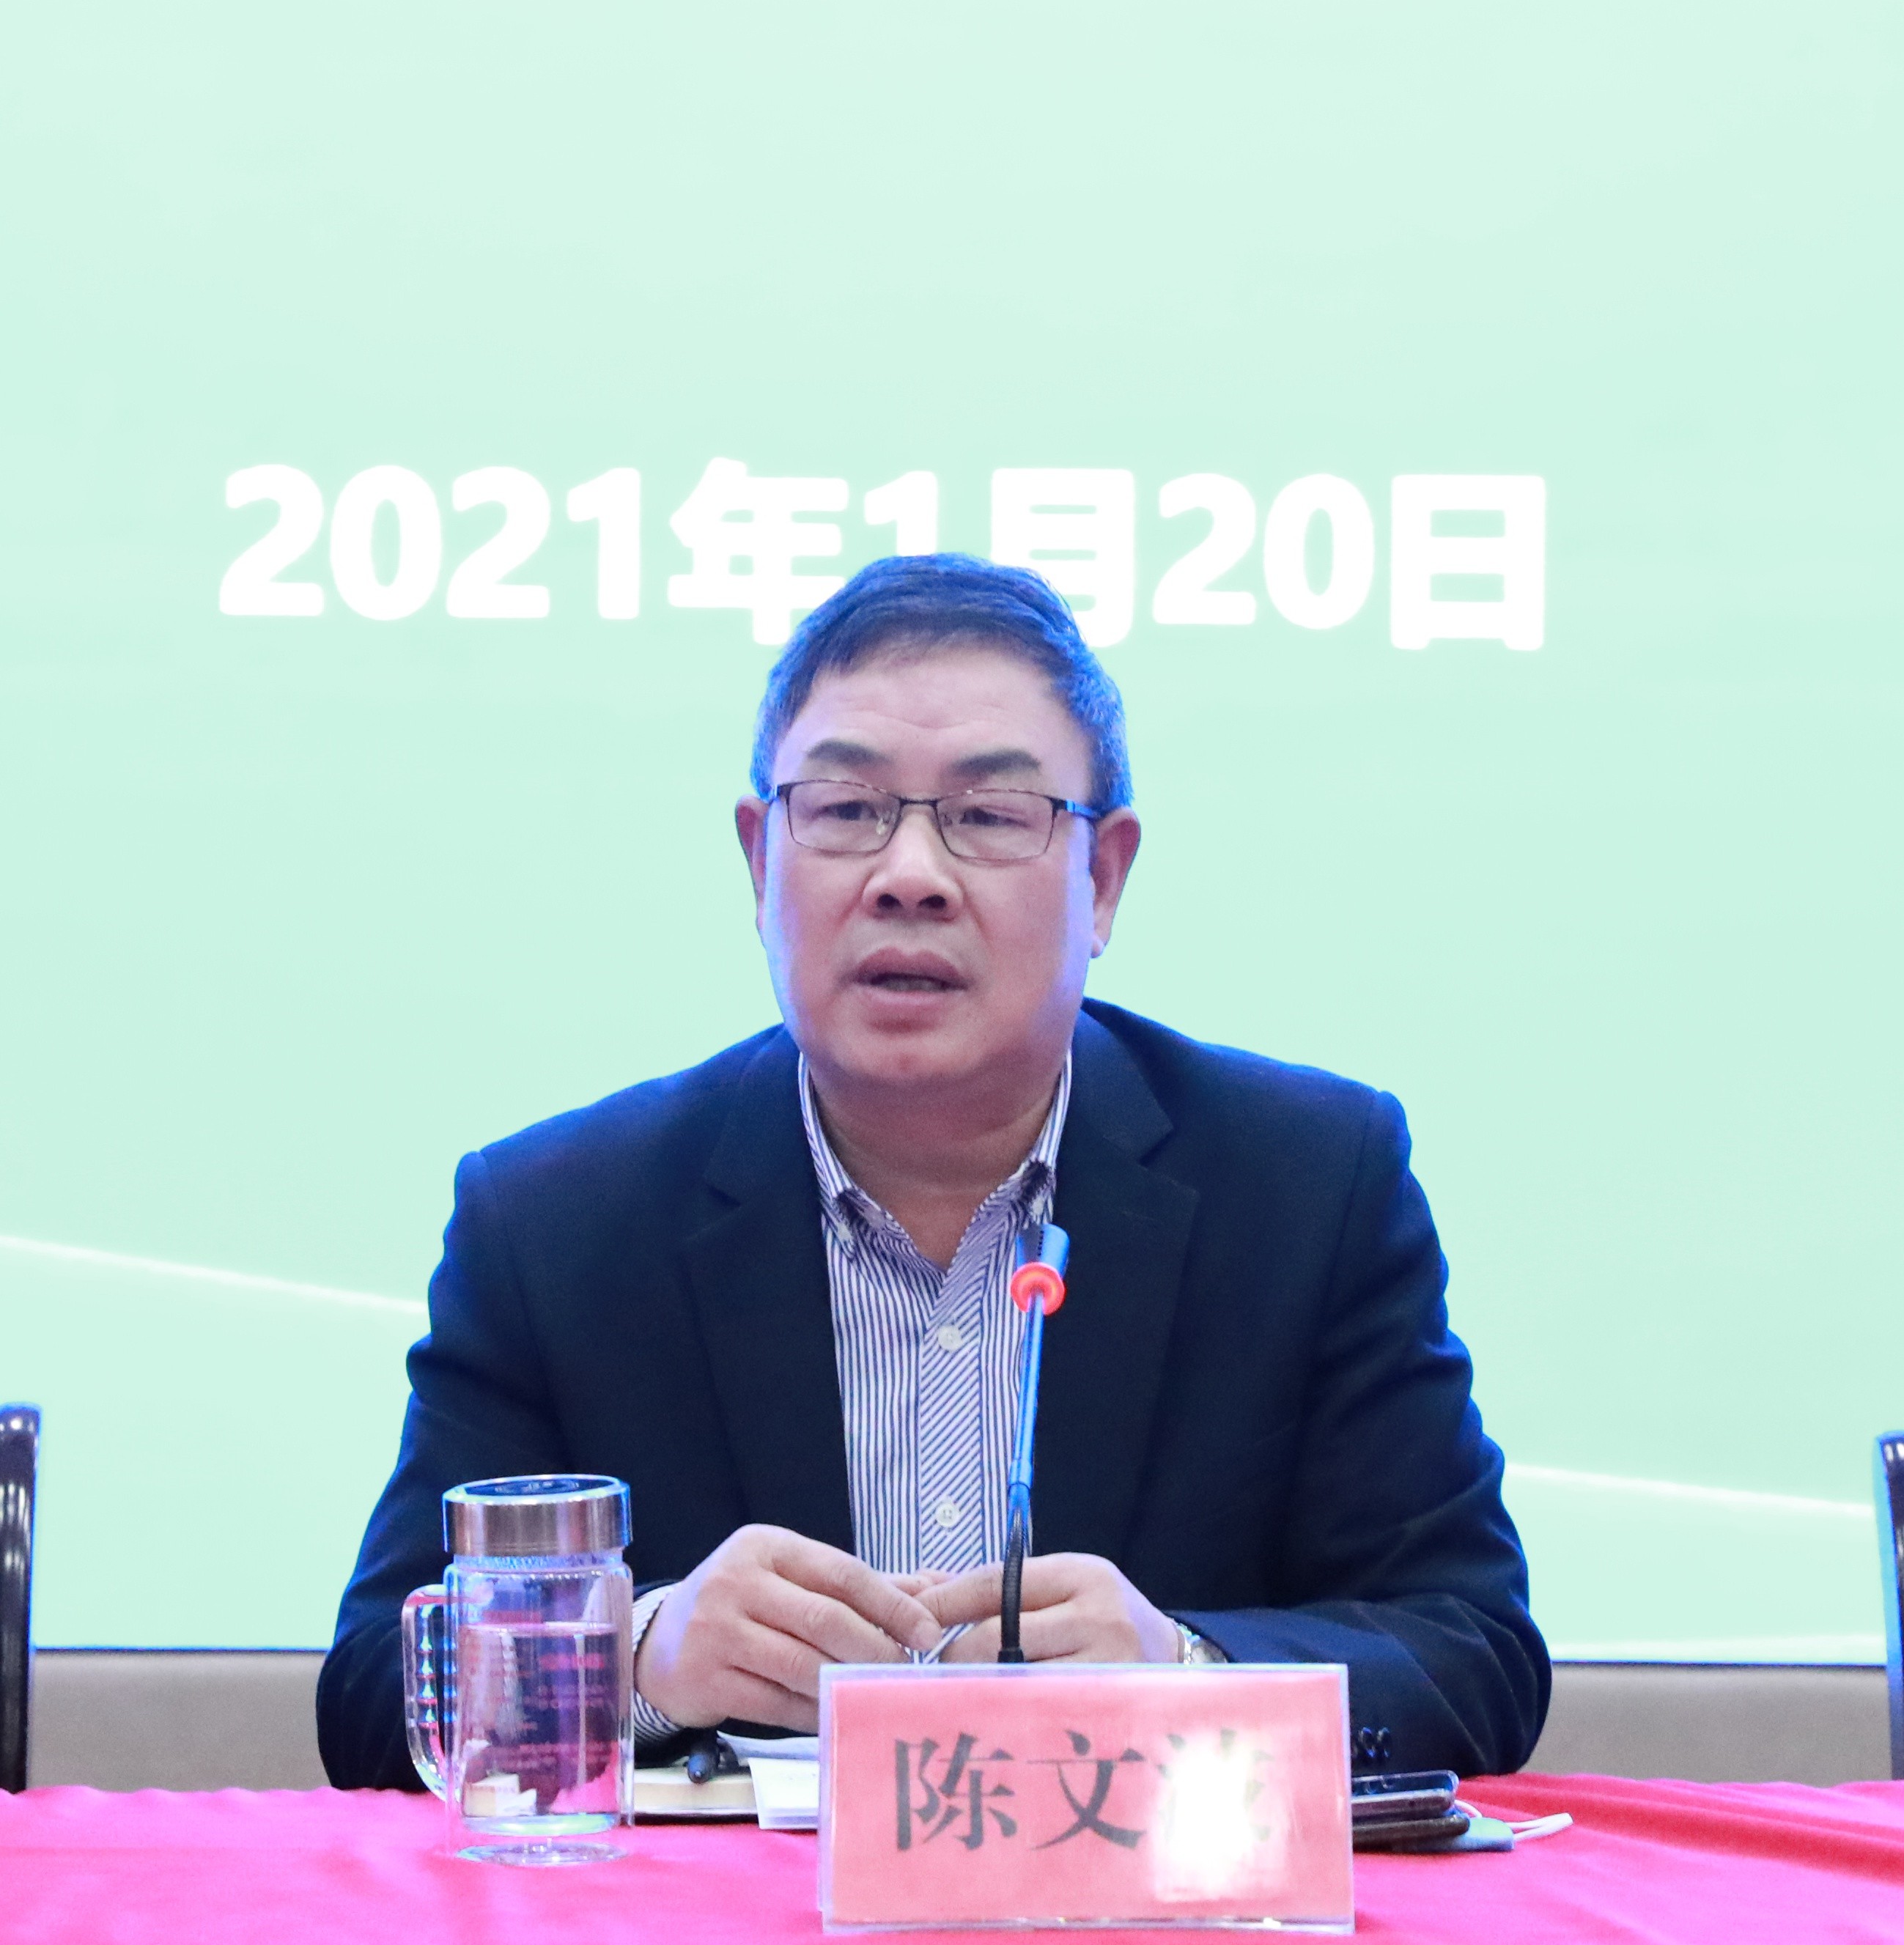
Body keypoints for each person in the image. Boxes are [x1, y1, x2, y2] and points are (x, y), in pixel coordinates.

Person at [317, 553, 1549, 1787]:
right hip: (737, 1918)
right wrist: (632, 1658)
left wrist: (1187, 1672)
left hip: (1151, 1907)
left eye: (991, 816)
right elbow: (375, 1694)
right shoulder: (558, 1221)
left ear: (1102, 878)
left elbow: (1469, 1653)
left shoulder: (1305, 1187)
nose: (908, 875)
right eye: (845, 809)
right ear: (759, 861)